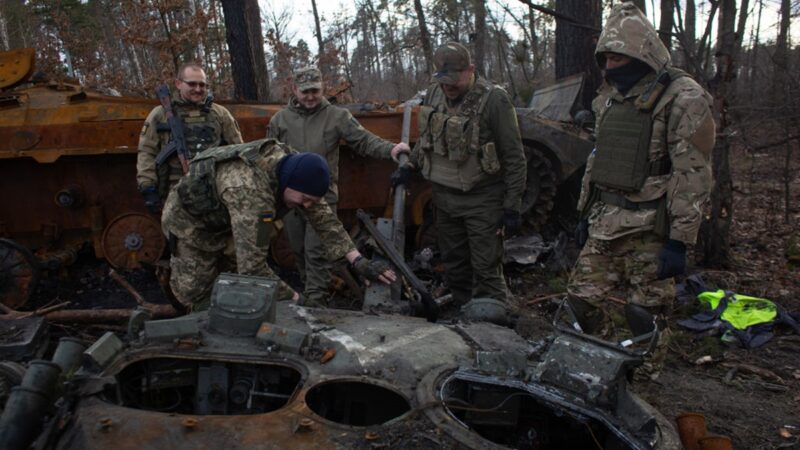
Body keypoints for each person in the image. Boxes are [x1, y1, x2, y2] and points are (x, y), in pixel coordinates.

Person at [567, 2, 715, 375]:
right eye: (607, 58)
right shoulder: (611, 98)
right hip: (605, 221)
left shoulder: (683, 96)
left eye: (620, 58)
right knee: (579, 305)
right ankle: (599, 357)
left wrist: (680, 240)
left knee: (643, 315)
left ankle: (641, 380)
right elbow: (599, 160)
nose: (612, 66)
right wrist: (585, 212)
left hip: (652, 227)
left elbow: (693, 171)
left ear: (642, 53)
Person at [161, 138, 396, 311]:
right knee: (194, 291)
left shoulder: (293, 166)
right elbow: (253, 270)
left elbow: (324, 219)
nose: (306, 206)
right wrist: (298, 302)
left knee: (232, 273)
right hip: (191, 225)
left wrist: (358, 261)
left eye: (310, 200)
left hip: (230, 216)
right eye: (304, 200)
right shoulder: (251, 193)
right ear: (289, 184)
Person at [266, 66, 410, 306]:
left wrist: (391, 149)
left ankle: (317, 303)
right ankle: (309, 295)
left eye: (315, 91)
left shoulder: (336, 116)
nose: (311, 96)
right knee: (297, 251)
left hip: (321, 198)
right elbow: (270, 156)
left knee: (316, 253)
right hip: (290, 199)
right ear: (294, 90)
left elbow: (364, 140)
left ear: (322, 88)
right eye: (305, 92)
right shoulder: (279, 121)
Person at [407, 42, 527, 307]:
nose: (447, 87)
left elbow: (514, 156)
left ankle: (495, 327)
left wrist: (512, 205)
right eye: (442, 80)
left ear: (470, 70)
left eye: (453, 80)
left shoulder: (494, 99)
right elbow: (426, 138)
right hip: (444, 198)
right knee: (455, 265)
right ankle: (465, 318)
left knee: (486, 270)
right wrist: (409, 166)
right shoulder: (434, 94)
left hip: (482, 200)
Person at [137, 63, 243, 213]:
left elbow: (237, 149)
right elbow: (147, 152)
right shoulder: (160, 115)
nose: (198, 89)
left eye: (202, 85)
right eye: (192, 84)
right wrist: (148, 187)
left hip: (215, 189)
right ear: (178, 84)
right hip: (175, 192)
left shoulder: (220, 114)